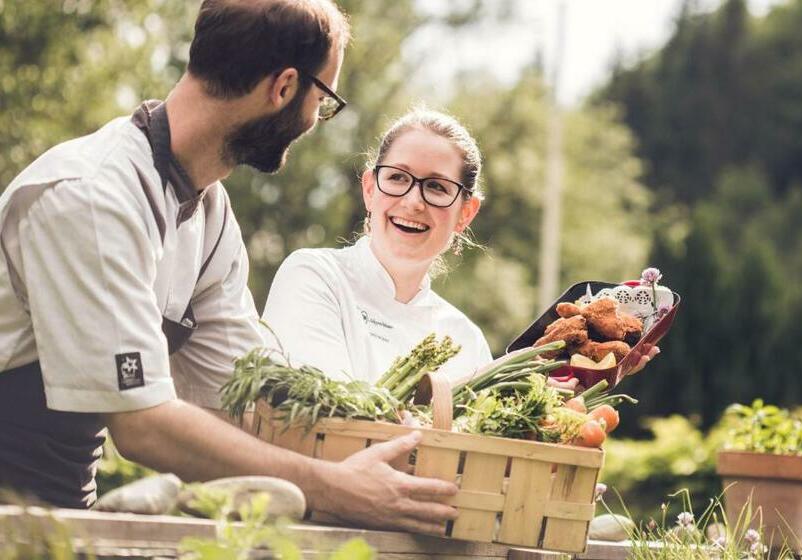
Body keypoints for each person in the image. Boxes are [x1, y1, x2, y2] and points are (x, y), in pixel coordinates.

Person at [0, 0, 458, 534]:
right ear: (284, 87)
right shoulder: (92, 197)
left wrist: (383, 437)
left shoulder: (208, 213)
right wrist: (334, 487)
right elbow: (142, 424)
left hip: (55, 515)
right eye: (322, 100)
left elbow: (246, 396)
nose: (314, 121)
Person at [262, 109, 491, 385]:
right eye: (398, 178)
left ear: (465, 213)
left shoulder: (468, 343)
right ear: (370, 189)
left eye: (436, 187)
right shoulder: (315, 277)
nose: (413, 202)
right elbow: (319, 406)